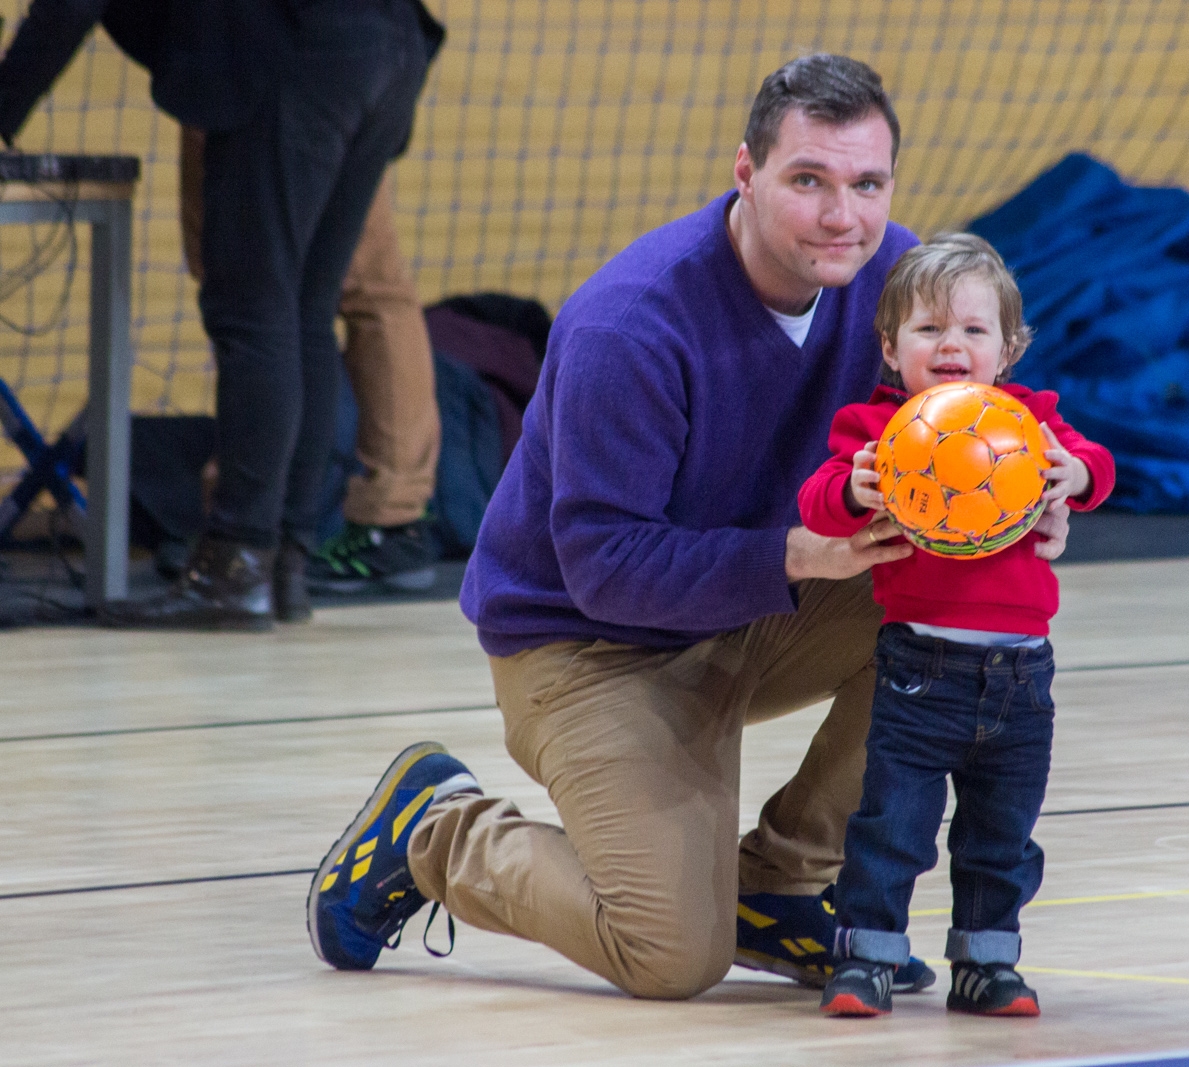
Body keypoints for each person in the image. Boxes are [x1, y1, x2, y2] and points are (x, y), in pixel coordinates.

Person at [307, 53, 1072, 1001]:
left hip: (761, 595)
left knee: (967, 616)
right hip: (588, 641)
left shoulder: (895, 287)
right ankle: (437, 828)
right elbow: (604, 568)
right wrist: (791, 554)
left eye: (867, 183)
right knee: (669, 953)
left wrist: (1034, 503)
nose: (844, 216)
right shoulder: (630, 325)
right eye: (809, 181)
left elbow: (966, 444)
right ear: (745, 175)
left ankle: (782, 884)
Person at [0, 0, 443, 630]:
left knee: (253, 312)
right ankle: (283, 562)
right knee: (305, 311)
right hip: (388, 47)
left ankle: (234, 565)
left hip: (295, 55)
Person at [798, 234, 1114, 1017]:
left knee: (1000, 837)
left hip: (1020, 677)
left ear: (1007, 349)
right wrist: (857, 489)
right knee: (891, 826)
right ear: (890, 345)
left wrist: (1076, 474)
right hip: (918, 669)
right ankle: (867, 957)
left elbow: (1097, 465)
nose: (950, 346)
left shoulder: (1029, 422)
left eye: (973, 331)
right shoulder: (877, 427)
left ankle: (986, 962)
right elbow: (818, 498)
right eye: (929, 329)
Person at [178, 129, 441, 597]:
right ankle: (264, 533)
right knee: (260, 292)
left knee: (313, 292)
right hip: (305, 82)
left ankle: (270, 534)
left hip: (288, 83)